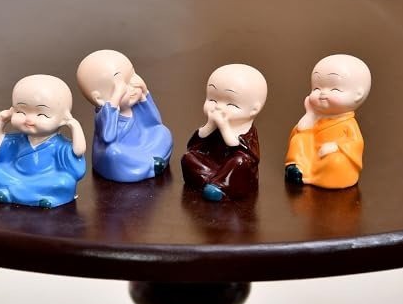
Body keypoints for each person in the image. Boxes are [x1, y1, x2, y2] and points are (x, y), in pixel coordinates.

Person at [0, 74, 87, 208]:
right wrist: (0, 121)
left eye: (42, 114)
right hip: (16, 175)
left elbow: (78, 151)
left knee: (64, 181)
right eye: (21, 112)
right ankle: (36, 196)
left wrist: (75, 126)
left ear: (63, 118)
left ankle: (13, 192)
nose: (29, 120)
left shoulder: (59, 145)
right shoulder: (17, 140)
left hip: (45, 179)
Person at [76, 50, 173, 182]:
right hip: (122, 151)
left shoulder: (134, 105)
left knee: (163, 132)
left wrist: (145, 93)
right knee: (113, 154)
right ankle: (150, 165)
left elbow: (154, 122)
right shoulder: (104, 114)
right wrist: (116, 98)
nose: (133, 88)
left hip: (142, 143)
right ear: (100, 98)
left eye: (132, 78)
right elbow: (108, 137)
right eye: (122, 86)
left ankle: (151, 163)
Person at [181, 64, 267, 201]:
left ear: (253, 110)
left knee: (240, 162)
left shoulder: (246, 129)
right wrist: (210, 125)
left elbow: (245, 153)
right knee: (188, 157)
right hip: (212, 164)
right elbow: (194, 145)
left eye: (231, 104)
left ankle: (220, 187)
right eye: (212, 100)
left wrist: (224, 126)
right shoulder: (213, 124)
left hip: (233, 171)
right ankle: (209, 182)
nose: (218, 107)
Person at [285, 54, 371, 189]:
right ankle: (297, 168)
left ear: (357, 95)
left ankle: (318, 176)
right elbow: (302, 129)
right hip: (312, 155)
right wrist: (310, 114)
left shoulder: (348, 123)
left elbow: (356, 143)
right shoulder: (316, 116)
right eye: (316, 88)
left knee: (336, 162)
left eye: (334, 89)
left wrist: (336, 146)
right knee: (298, 139)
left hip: (331, 155)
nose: (322, 93)